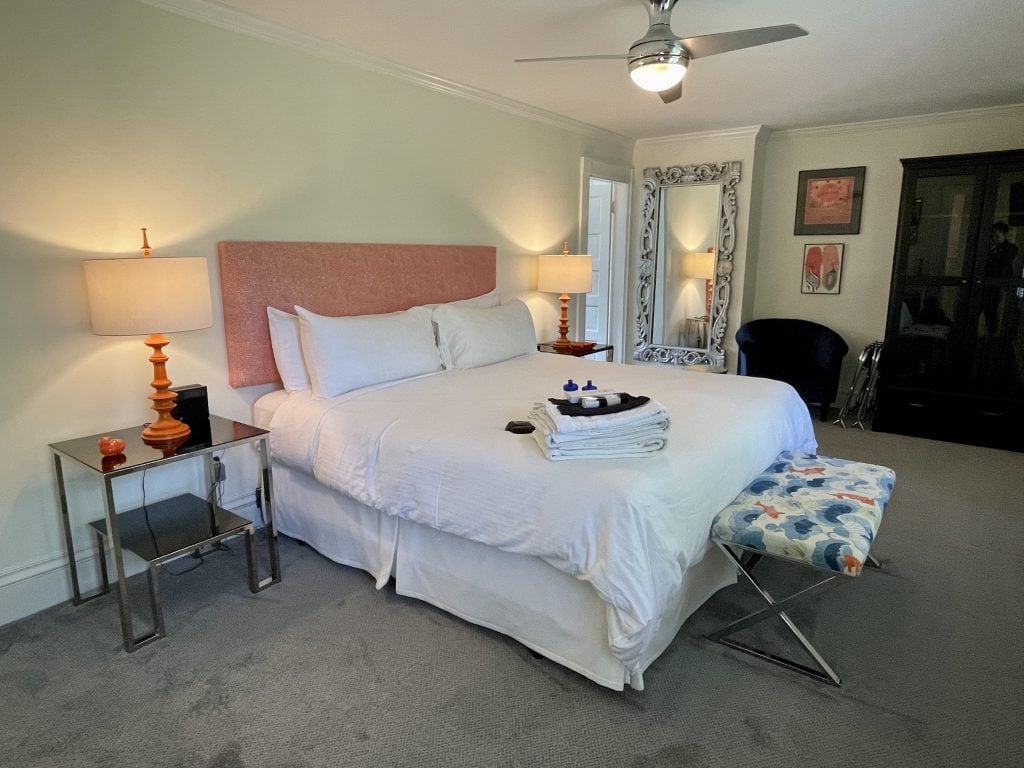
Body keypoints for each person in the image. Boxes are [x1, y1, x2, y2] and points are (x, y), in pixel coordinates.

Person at [981, 221, 1020, 335]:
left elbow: (1005, 264)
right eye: (993, 236)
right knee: (986, 309)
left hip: (997, 285)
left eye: (997, 235)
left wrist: (995, 251)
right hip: (987, 283)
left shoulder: (1010, 249)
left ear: (1004, 235)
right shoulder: (991, 249)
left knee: (992, 311)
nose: (994, 238)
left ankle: (991, 335)